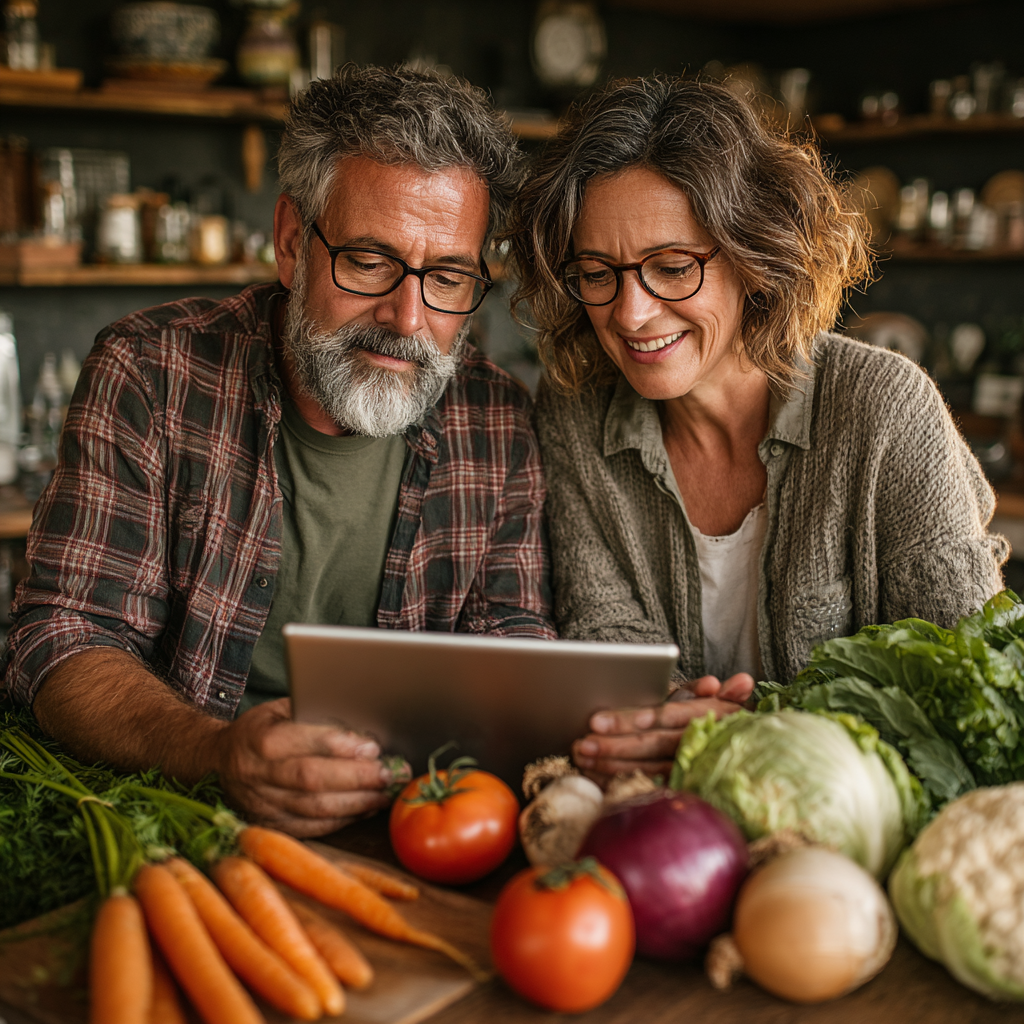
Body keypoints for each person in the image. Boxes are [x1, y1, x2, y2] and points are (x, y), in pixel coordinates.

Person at [3, 66, 555, 836]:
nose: (407, 318)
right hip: (184, 815)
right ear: (292, 243)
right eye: (369, 261)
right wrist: (216, 750)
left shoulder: (498, 419)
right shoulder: (150, 374)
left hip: (417, 826)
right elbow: (61, 636)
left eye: (449, 278)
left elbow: (515, 646)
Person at [504, 76, 1006, 785]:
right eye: (597, 273)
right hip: (665, 824)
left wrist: (750, 731)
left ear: (754, 255)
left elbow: (973, 692)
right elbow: (607, 640)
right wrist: (667, 715)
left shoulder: (886, 410)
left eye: (672, 268)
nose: (631, 314)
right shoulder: (574, 416)